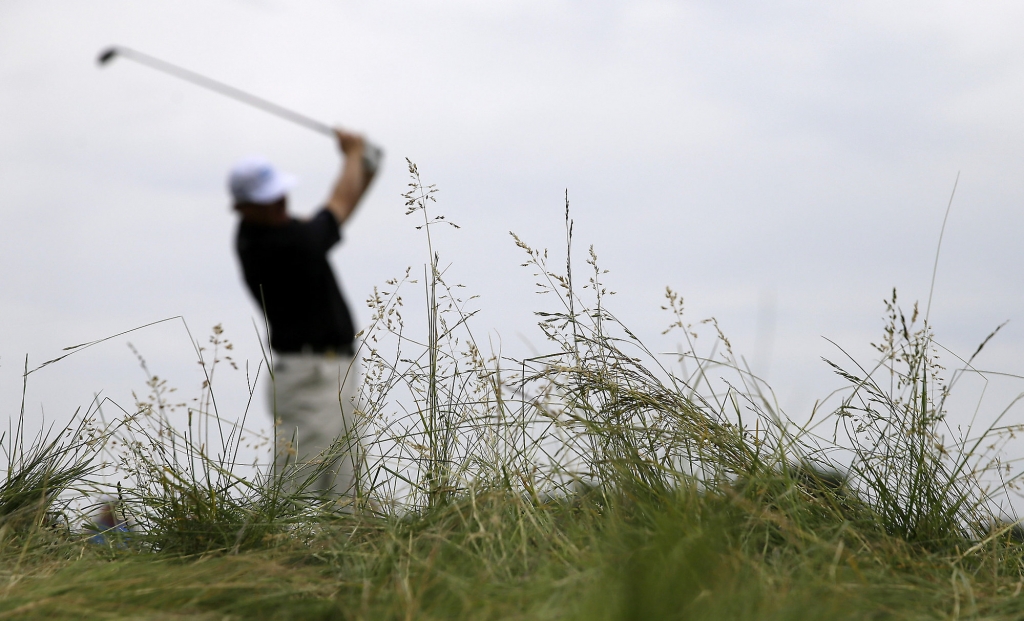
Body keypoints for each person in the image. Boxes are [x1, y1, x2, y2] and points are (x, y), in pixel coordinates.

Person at [230, 129, 380, 503]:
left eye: (279, 192)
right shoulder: (278, 245)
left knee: (348, 488)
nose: (279, 202)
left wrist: (364, 165)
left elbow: (337, 212)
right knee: (293, 490)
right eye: (267, 199)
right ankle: (266, 556)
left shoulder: (271, 231)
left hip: (331, 371)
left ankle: (355, 552)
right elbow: (336, 210)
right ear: (244, 207)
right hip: (309, 376)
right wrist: (353, 156)